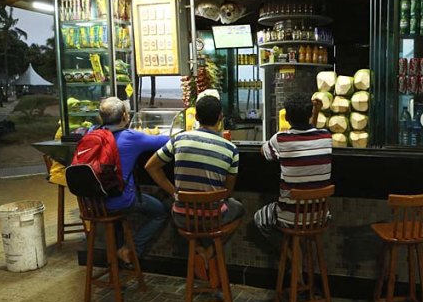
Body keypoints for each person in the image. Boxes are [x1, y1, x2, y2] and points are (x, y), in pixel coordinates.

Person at [145, 95, 244, 285]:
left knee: (192, 215)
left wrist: (175, 193)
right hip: (213, 218)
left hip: (182, 217)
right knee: (238, 209)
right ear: (220, 117)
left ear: (196, 117)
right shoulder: (231, 149)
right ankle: (210, 252)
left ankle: (200, 252)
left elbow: (151, 166)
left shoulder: (179, 139)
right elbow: (227, 192)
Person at [98, 97, 170, 266]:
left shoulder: (92, 133)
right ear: (124, 116)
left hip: (94, 201)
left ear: (101, 118)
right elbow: (167, 141)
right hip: (121, 200)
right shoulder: (131, 137)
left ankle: (115, 251)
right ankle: (130, 250)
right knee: (160, 212)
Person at [253, 92, 332, 240]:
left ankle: (290, 255)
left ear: (287, 117)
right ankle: (298, 255)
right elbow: (310, 134)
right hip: (320, 217)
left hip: (289, 217)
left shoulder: (281, 139)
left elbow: (263, 152)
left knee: (259, 218)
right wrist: (316, 113)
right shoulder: (326, 136)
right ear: (310, 114)